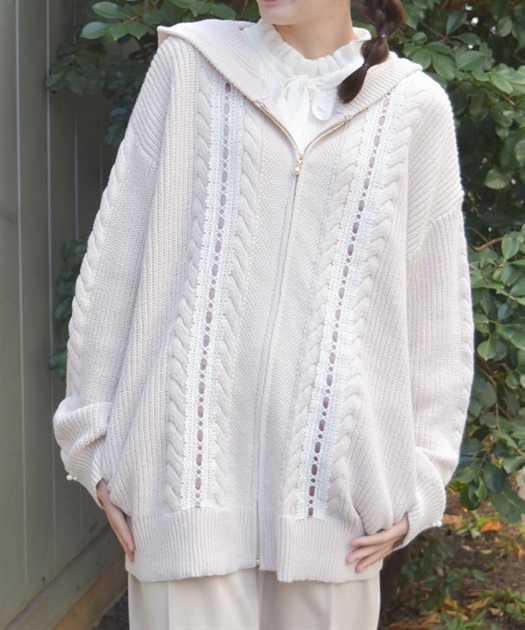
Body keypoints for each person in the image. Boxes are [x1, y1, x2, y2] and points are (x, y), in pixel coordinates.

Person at [53, 0, 474, 627]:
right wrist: (94, 446)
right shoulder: (190, 67)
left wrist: (421, 481)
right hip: (181, 490)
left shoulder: (414, 108)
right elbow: (119, 258)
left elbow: (437, 310)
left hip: (338, 518)